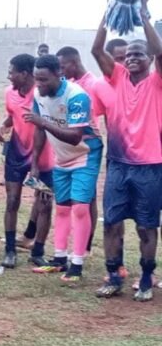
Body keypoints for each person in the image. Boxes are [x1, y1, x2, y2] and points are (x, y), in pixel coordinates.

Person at [91, 0, 162, 301]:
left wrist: (144, 14)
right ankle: (113, 274)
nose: (132, 58)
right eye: (128, 55)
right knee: (112, 223)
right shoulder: (117, 78)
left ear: (149, 60)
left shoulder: (157, 82)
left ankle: (146, 277)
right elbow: (96, 49)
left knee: (146, 227)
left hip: (150, 166)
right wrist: (107, 14)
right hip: (118, 165)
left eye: (139, 55)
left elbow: (159, 49)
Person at [26, 54, 101, 284]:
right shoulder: (39, 94)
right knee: (62, 208)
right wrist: (35, 161)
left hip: (85, 154)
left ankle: (76, 263)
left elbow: (75, 136)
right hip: (62, 157)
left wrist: (44, 123)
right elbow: (39, 130)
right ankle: (59, 259)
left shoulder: (76, 96)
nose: (39, 84)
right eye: (36, 79)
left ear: (59, 74)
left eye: (44, 79)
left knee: (79, 208)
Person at [0, 53, 54, 269]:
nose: (8, 76)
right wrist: (2, 127)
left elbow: (43, 126)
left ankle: (38, 250)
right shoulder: (8, 93)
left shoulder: (42, 95)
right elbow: (13, 115)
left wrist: (36, 164)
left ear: (24, 74)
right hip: (16, 153)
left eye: (11, 72)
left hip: (43, 156)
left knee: (45, 204)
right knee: (12, 201)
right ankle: (10, 250)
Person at [57, 46, 108, 257]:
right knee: (71, 200)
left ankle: (84, 246)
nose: (60, 71)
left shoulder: (93, 84)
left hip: (87, 146)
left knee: (87, 199)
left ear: (74, 63)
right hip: (68, 147)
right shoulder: (67, 84)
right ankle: (72, 245)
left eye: (62, 66)